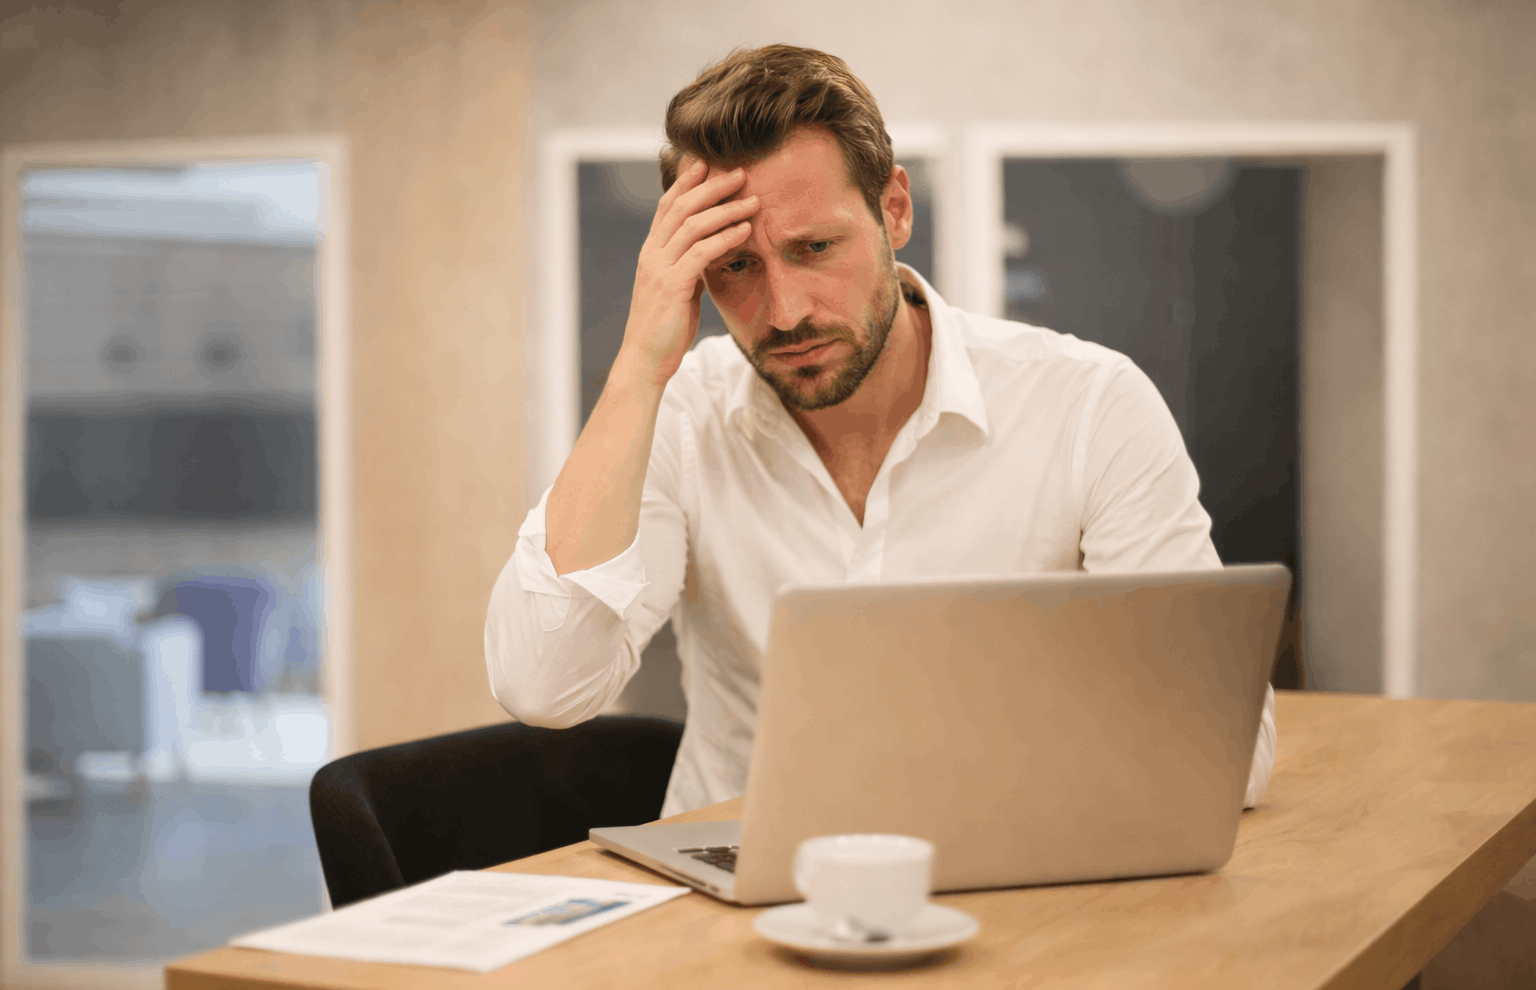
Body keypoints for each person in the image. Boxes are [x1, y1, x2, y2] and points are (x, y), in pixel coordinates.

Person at [485, 44, 1276, 818]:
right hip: (734, 878)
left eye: (814, 248)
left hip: (1009, 863)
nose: (785, 312)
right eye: (736, 267)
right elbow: (544, 687)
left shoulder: (1087, 404)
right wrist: (637, 369)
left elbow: (1225, 754)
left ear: (893, 208)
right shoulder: (683, 413)